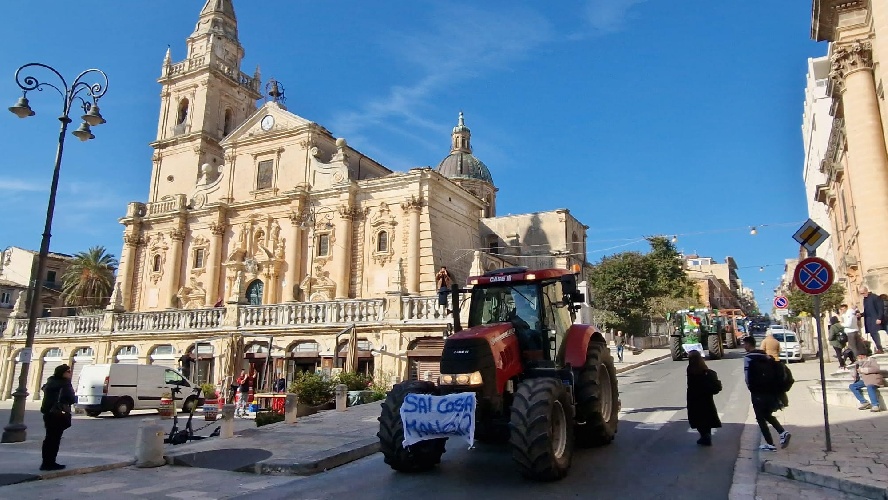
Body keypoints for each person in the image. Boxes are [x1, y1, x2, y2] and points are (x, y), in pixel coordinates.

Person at [742, 336, 791, 452]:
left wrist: (752, 390)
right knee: (767, 414)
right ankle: (782, 432)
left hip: (758, 392)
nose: (744, 346)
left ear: (748, 344)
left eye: (744, 344)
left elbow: (747, 377)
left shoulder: (748, 358)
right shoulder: (765, 356)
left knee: (760, 417)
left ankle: (770, 443)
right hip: (771, 391)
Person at [40, 364, 75, 471]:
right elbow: (72, 399)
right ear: (63, 373)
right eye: (68, 371)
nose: (70, 373)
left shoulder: (50, 382)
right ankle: (50, 463)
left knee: (49, 438)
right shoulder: (64, 384)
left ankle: (46, 462)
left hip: (48, 413)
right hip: (58, 413)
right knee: (55, 439)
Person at [686, 350, 722, 446]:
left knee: (697, 418)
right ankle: (707, 435)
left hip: (694, 398)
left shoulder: (690, 369)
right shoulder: (704, 369)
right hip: (706, 397)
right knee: (707, 416)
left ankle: (704, 436)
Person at [859, 286, 885, 354]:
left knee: (875, 333)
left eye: (863, 293)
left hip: (875, 318)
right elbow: (867, 311)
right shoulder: (865, 299)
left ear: (866, 291)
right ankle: (878, 348)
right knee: (872, 334)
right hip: (869, 320)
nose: (862, 295)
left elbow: (880, 308)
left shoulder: (875, 297)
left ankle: (880, 348)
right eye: (861, 293)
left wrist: (879, 318)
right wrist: (861, 315)